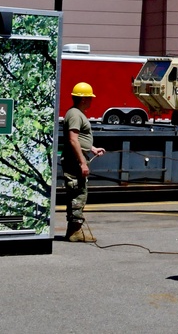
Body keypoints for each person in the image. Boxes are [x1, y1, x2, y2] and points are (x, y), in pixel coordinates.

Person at [62, 82, 106, 242]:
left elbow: (80, 139)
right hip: (74, 162)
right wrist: (82, 163)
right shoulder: (74, 114)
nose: (91, 101)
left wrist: (92, 148)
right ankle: (75, 232)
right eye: (89, 98)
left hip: (76, 159)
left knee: (77, 193)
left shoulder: (76, 113)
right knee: (78, 194)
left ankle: (74, 231)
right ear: (83, 99)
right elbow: (73, 140)